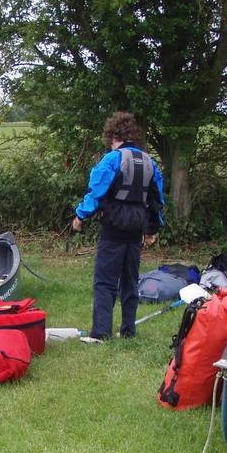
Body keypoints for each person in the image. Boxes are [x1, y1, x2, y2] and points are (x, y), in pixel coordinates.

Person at [71, 111, 165, 341]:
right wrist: (151, 230)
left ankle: (100, 333)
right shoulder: (150, 162)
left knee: (105, 281)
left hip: (113, 227)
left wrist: (79, 217)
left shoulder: (112, 159)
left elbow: (97, 192)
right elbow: (157, 200)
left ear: (113, 136)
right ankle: (128, 331)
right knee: (130, 280)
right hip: (136, 229)